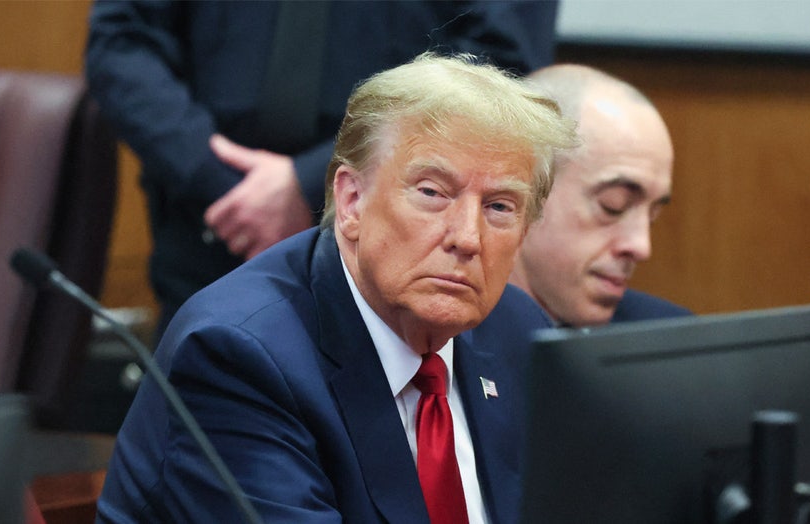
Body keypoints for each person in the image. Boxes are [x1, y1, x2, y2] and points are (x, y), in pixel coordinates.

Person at [95, 53, 577, 523]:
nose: (468, 238)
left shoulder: (517, 331)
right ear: (351, 202)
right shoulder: (239, 357)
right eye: (432, 193)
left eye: (499, 207)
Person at [84, 0, 561, 338]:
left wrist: (312, 181)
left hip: (407, 228)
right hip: (211, 223)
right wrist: (223, 182)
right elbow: (122, 43)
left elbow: (497, 65)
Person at [509, 64, 691, 326]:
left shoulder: (668, 340)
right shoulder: (448, 345)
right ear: (522, 186)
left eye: (652, 217)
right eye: (613, 206)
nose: (641, 247)